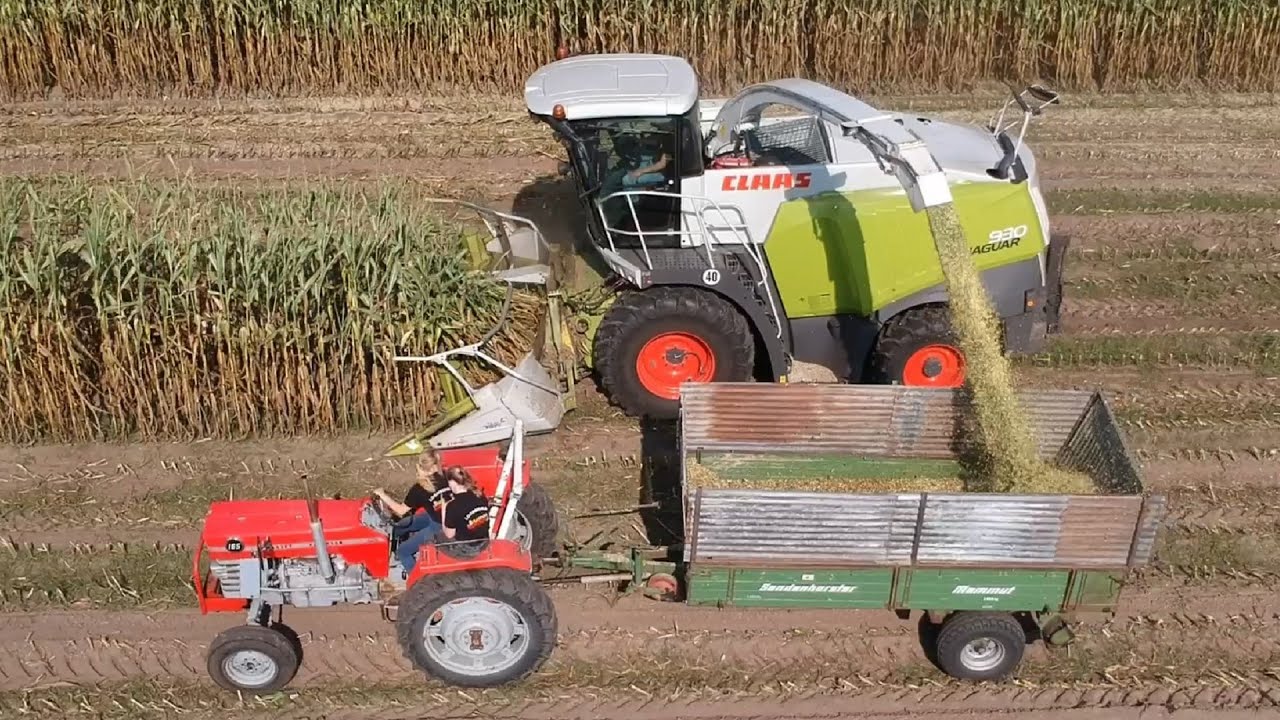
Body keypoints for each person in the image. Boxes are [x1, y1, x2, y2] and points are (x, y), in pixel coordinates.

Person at [373, 449, 451, 575]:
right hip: (438, 516)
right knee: (399, 527)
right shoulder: (446, 476)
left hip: (439, 526)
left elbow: (400, 510)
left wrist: (382, 495)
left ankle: (419, 579)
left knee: (403, 552)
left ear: (419, 467)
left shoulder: (419, 490)